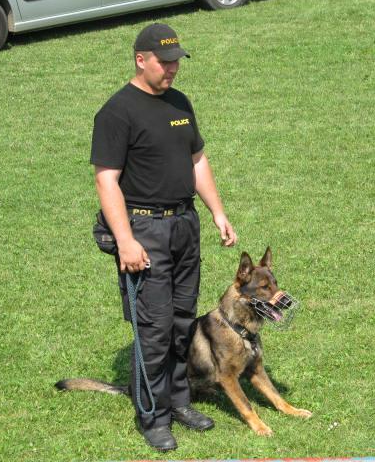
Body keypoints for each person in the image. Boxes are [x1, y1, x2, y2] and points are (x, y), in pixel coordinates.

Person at [90, 23, 237, 452]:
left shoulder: (179, 103)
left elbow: (197, 160)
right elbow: (106, 180)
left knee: (181, 322)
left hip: (184, 225)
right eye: (164, 61)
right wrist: (125, 241)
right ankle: (152, 416)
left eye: (176, 61)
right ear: (141, 60)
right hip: (144, 230)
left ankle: (178, 401)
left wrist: (217, 212)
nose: (172, 68)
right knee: (154, 329)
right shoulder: (117, 112)